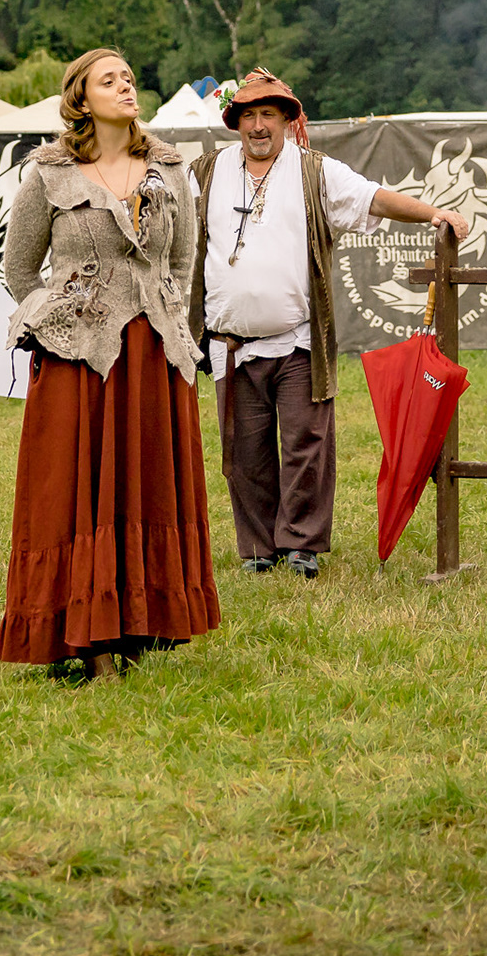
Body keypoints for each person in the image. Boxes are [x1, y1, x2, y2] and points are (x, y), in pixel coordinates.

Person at [188, 67, 470, 578]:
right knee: (244, 452)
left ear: (287, 120)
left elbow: (373, 198)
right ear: (235, 123)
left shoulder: (314, 171)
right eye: (248, 115)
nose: (258, 126)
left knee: (305, 445)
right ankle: (257, 549)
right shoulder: (204, 173)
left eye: (268, 115)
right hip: (230, 342)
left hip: (297, 340)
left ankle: (301, 545)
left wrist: (434, 213)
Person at [0, 48, 220, 680]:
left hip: (153, 355)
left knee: (144, 481)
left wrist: (161, 316)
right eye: (108, 80)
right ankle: (83, 637)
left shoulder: (171, 169)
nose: (125, 85)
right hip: (78, 359)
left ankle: (142, 623)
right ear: (80, 97)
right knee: (72, 490)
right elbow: (18, 270)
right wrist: (60, 318)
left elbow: (181, 262)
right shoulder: (47, 172)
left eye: (128, 75)